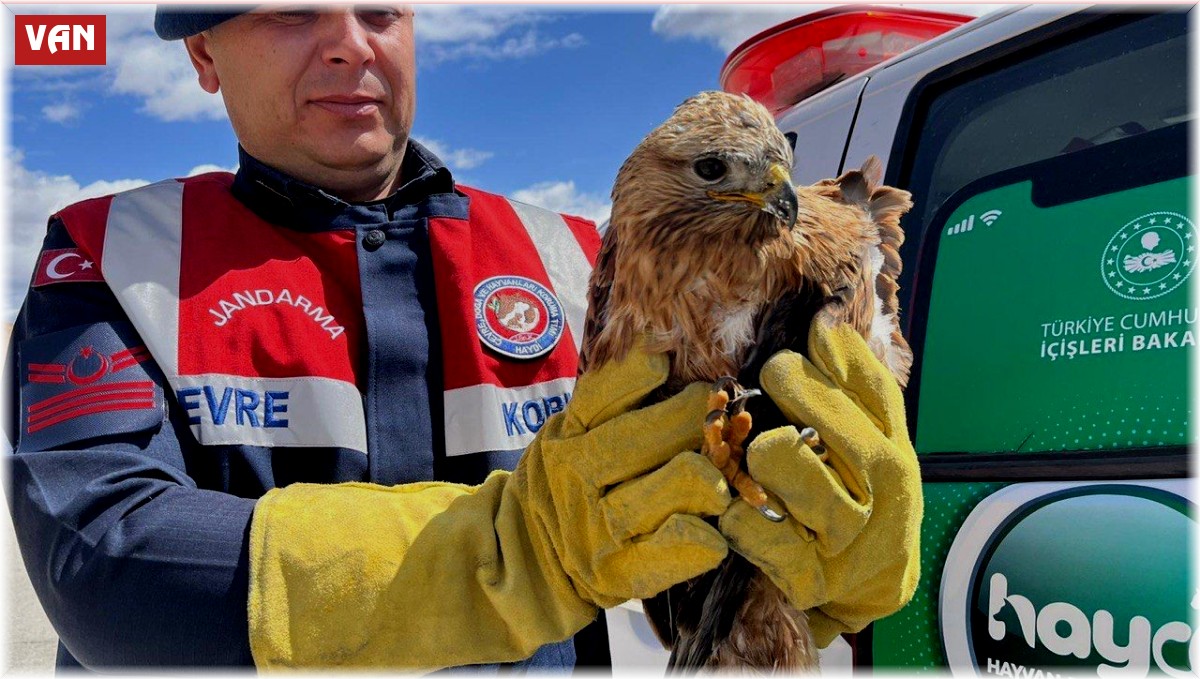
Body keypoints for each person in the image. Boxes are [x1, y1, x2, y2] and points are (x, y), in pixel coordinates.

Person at [3, 5, 923, 671]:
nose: (349, 44)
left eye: (380, 11)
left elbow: (675, 536)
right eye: (292, 12)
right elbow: (109, 566)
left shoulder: (580, 254)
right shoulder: (112, 254)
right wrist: (510, 553)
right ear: (204, 52)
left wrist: (813, 563)